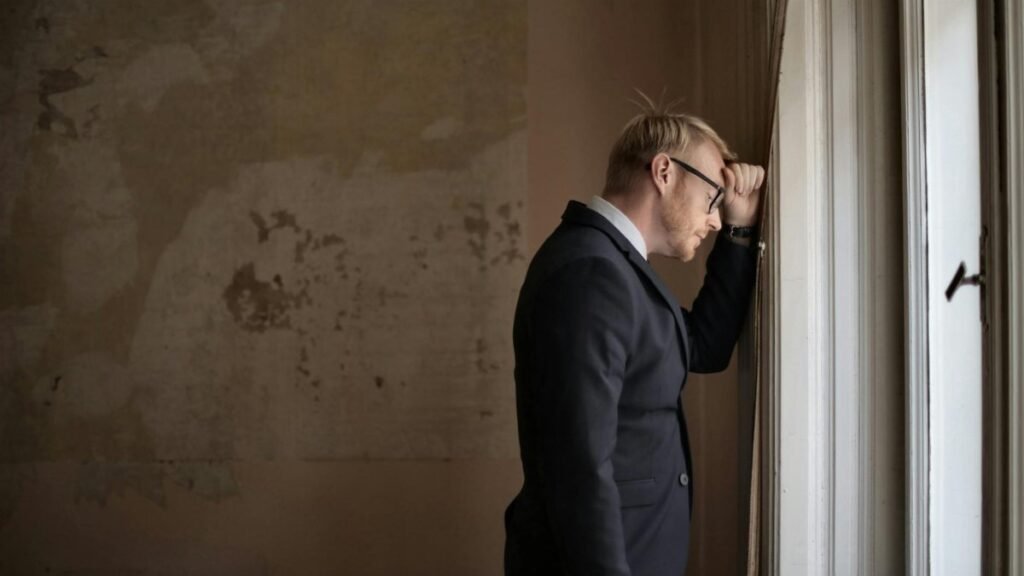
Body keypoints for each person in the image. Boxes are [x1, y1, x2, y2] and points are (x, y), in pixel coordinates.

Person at [503, 107, 765, 576]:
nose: (713, 220)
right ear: (664, 172)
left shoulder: (614, 266)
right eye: (712, 196)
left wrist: (739, 230)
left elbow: (701, 346)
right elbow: (579, 468)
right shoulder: (591, 272)